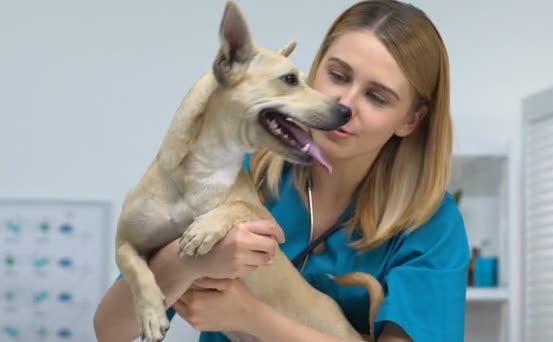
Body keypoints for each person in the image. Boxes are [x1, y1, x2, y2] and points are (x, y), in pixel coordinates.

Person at [93, 0, 470, 341]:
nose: (345, 104)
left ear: (410, 120)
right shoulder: (232, 175)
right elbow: (111, 330)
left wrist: (252, 317)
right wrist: (188, 259)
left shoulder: (432, 226)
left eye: (377, 97)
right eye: (337, 75)